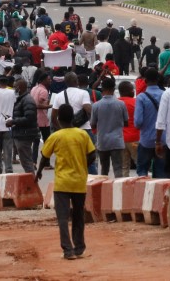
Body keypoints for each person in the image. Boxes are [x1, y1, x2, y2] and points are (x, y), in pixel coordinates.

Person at [37, 103, 96, 260]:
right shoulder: (82, 134)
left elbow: (44, 157)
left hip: (62, 183)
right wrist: (83, 165)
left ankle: (67, 250)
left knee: (62, 218)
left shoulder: (55, 136)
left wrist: (38, 173)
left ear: (58, 118)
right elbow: (92, 155)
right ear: (72, 118)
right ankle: (79, 247)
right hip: (79, 181)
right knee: (78, 215)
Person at [90, 77, 129, 177]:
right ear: (113, 88)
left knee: (104, 169)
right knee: (118, 168)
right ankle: (119, 190)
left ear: (102, 88)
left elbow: (93, 124)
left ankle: (104, 190)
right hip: (117, 141)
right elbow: (126, 122)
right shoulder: (121, 104)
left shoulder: (96, 105)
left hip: (102, 141)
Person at [134, 67, 164, 177]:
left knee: (142, 171)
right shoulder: (165, 95)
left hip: (146, 140)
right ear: (158, 79)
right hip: (162, 140)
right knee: (161, 172)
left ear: (145, 81)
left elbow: (138, 122)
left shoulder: (141, 98)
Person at [9, 78, 39, 173]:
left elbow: (29, 118)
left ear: (19, 87)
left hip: (24, 134)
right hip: (21, 133)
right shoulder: (21, 99)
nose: (14, 89)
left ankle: (32, 184)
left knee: (26, 162)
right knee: (25, 161)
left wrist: (13, 121)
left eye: (15, 87)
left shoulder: (27, 100)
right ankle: (31, 182)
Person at [0, 76, 17, 174]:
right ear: (7, 82)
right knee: (8, 148)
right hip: (9, 123)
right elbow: (15, 104)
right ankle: (8, 168)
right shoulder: (12, 92)